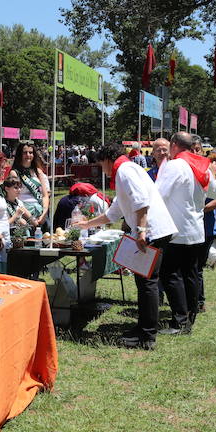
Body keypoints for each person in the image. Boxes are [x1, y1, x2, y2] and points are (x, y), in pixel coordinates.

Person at [76, 143, 176, 349]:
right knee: (143, 283)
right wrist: (87, 224)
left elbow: (141, 202)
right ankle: (143, 329)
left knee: (147, 284)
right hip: (151, 230)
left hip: (151, 232)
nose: (101, 170)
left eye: (101, 165)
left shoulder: (124, 170)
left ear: (107, 160)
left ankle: (147, 337)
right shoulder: (126, 169)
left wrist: (141, 231)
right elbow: (115, 211)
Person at [155, 132, 216, 333]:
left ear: (174, 145)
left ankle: (179, 321)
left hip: (177, 232)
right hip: (196, 230)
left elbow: (158, 194)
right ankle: (190, 317)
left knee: (170, 275)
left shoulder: (175, 165)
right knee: (191, 274)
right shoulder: (202, 164)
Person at [9, 142, 51, 231]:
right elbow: (14, 199)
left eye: (31, 152)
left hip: (41, 211)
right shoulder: (15, 173)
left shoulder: (38, 172)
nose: (28, 155)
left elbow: (45, 195)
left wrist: (44, 213)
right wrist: (31, 218)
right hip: (25, 214)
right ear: (20, 154)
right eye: (25, 152)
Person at [2, 176, 35, 241]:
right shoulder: (3, 204)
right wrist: (16, 216)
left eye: (20, 187)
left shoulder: (19, 202)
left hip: (21, 235)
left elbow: (30, 220)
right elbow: (4, 224)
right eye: (16, 188)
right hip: (8, 235)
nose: (19, 190)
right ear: (7, 189)